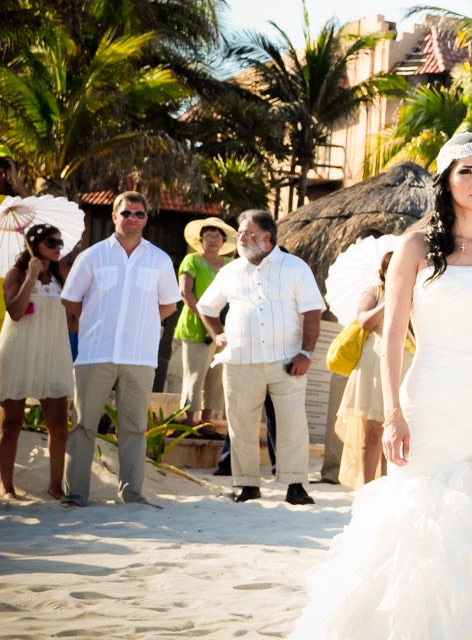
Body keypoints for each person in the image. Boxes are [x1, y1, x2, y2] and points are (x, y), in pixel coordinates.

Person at [231, 132, 472, 640]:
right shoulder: (416, 248)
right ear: (446, 179)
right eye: (466, 171)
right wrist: (394, 411)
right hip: (430, 394)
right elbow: (394, 334)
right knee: (419, 515)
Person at [60, 192, 180, 507]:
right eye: (126, 213)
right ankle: (76, 494)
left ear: (146, 219)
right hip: (94, 353)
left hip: (139, 356)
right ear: (114, 216)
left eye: (139, 214)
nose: (133, 219)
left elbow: (168, 304)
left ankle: (132, 494)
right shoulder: (92, 256)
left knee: (134, 429)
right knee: (85, 425)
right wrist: (95, 322)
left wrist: (139, 324)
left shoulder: (159, 260)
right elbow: (71, 299)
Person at [198, 210, 323, 506]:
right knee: (240, 424)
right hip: (241, 361)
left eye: (247, 233)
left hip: (287, 362)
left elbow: (312, 311)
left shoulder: (295, 267)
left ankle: (295, 485)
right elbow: (206, 307)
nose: (240, 238)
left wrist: (306, 352)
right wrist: (218, 335)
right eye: (240, 233)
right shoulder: (230, 271)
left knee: (292, 424)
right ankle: (247, 486)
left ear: (267, 237)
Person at [0, 225, 72, 500]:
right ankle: (6, 487)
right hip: (18, 351)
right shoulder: (15, 274)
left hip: (52, 353)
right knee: (11, 423)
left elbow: (70, 320)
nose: (58, 246)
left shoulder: (59, 277)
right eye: (51, 241)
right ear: (35, 244)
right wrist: (31, 276)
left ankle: (55, 486)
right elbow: (16, 312)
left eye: (59, 241)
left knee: (58, 424)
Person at [333, 251, 409, 490]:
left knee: (400, 430)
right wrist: (389, 301)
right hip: (374, 362)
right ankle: (367, 488)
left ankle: (391, 485)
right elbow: (363, 321)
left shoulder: (415, 291)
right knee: (373, 430)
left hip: (407, 360)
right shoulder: (375, 291)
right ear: (384, 271)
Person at [173, 217, 235, 429]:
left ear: (224, 240)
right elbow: (185, 292)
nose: (213, 240)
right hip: (196, 325)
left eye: (218, 236)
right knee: (195, 375)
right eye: (209, 235)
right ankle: (190, 421)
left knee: (216, 377)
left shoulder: (229, 265)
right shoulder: (192, 261)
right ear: (200, 239)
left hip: (224, 327)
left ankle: (206, 421)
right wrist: (206, 318)